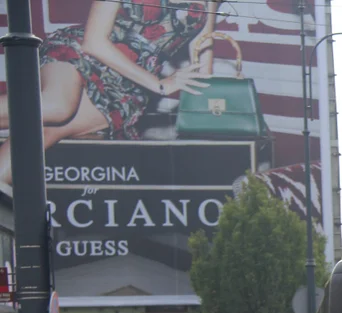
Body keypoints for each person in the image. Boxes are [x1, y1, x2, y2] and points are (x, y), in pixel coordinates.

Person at [0, 0, 218, 185]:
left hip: (127, 88)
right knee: (57, 108)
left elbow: (202, 47)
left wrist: (211, 94)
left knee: (47, 131)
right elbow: (94, 42)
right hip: (82, 53)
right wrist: (160, 84)